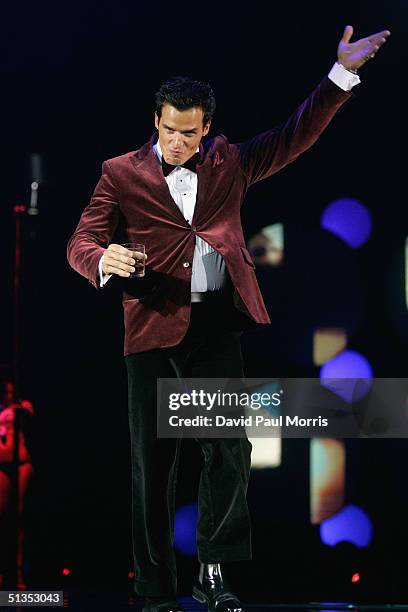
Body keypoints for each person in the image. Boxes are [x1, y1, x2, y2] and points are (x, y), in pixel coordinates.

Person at [67, 25, 390, 612]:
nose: (175, 142)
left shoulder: (228, 162)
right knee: (153, 467)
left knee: (230, 448)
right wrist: (102, 258)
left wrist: (341, 75)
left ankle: (212, 572)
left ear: (205, 129)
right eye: (167, 130)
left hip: (215, 324)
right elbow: (80, 241)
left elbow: (296, 136)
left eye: (188, 134)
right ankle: (154, 587)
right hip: (151, 329)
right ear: (156, 121)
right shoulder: (120, 172)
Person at [0, 381, 34, 591]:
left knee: (19, 516)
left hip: (20, 461)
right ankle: (3, 571)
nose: (8, 395)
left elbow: (28, 416)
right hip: (2, 463)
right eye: (6, 391)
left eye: (11, 391)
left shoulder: (21, 408)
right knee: (1, 515)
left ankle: (19, 571)